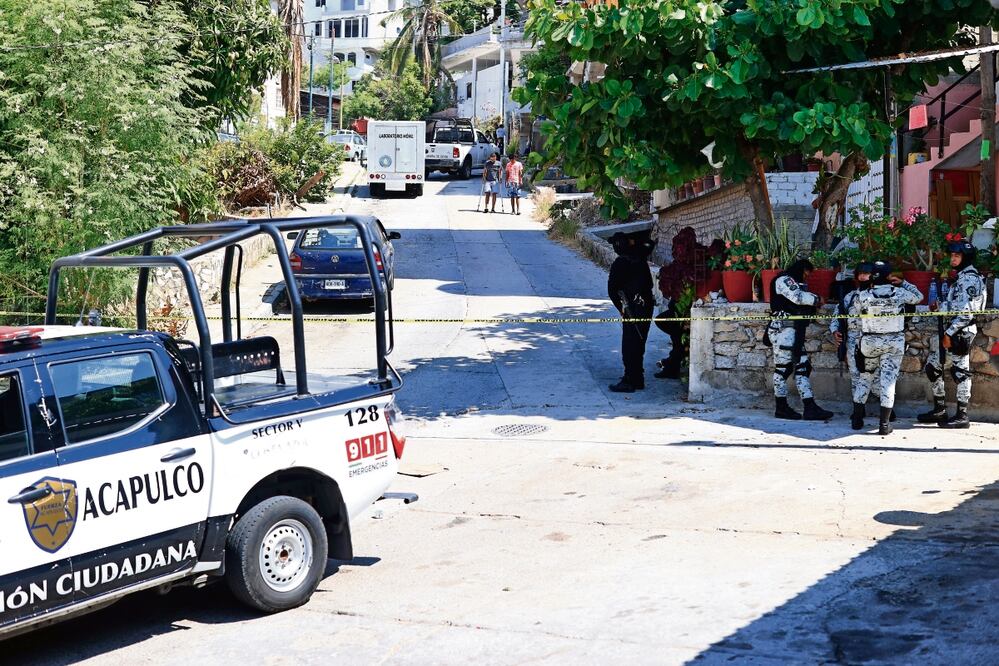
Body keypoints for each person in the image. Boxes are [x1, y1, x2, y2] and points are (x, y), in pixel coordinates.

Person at [918, 237, 987, 428]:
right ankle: (939, 410)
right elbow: (957, 304)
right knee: (933, 367)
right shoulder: (961, 278)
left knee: (961, 372)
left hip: (960, 331)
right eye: (952, 255)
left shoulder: (970, 279)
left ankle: (962, 415)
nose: (953, 259)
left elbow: (967, 312)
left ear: (966, 257)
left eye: (957, 256)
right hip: (952, 329)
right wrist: (940, 305)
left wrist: (948, 334)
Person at [850, 262, 923, 435]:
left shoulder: (862, 295)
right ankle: (884, 424)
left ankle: (857, 419)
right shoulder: (899, 293)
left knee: (865, 378)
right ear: (889, 276)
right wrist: (903, 282)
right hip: (893, 343)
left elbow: (855, 316)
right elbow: (918, 296)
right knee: (888, 381)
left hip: (869, 342)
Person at [768, 259, 834, 420]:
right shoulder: (784, 279)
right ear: (802, 269)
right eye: (806, 273)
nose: (806, 277)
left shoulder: (791, 281)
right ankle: (785, 407)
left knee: (801, 367)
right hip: (784, 331)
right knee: (785, 369)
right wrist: (817, 299)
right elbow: (798, 297)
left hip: (791, 331)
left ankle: (806, 407)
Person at [607, 230, 655, 393]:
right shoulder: (640, 256)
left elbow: (612, 290)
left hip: (632, 307)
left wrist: (621, 309)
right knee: (639, 342)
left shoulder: (621, 263)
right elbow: (649, 244)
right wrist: (634, 241)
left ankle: (630, 379)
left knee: (630, 344)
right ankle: (637, 378)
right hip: (646, 305)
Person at [831, 262, 874, 414]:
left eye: (866, 273)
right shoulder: (850, 296)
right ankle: (858, 410)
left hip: (873, 340)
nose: (863, 276)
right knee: (855, 375)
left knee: (876, 377)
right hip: (852, 340)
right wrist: (835, 330)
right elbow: (838, 315)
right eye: (860, 273)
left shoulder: (878, 294)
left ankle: (887, 409)